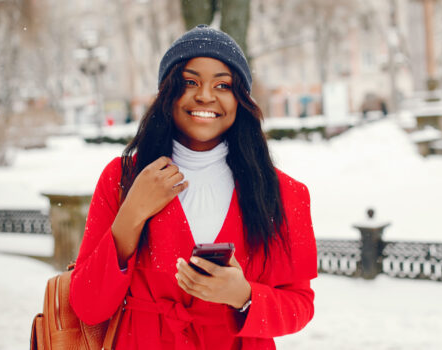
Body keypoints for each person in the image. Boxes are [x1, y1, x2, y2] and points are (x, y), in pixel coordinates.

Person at [69, 24, 317, 350]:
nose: (205, 95)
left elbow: (300, 306)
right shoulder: (122, 178)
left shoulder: (284, 193)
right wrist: (131, 214)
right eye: (190, 82)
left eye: (223, 85)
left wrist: (243, 296)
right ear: (166, 94)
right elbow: (88, 306)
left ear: (240, 99)